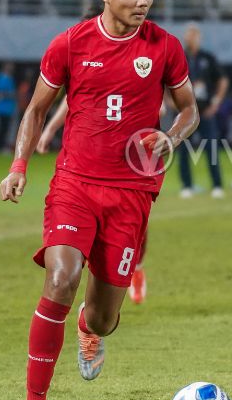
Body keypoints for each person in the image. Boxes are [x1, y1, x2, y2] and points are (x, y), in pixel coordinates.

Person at [0, 0, 198, 400]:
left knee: (103, 315)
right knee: (61, 276)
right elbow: (38, 108)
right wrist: (19, 165)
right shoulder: (69, 43)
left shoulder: (166, 48)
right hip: (76, 184)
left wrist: (171, 138)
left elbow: (190, 110)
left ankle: (91, 330)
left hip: (131, 193)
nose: (144, 1)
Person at [36, 95, 149, 305]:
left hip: (132, 158)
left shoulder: (148, 63)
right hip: (91, 158)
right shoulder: (89, 64)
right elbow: (75, 95)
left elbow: (161, 104)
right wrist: (52, 126)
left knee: (139, 225)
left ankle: (137, 268)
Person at [176, 22, 228, 199]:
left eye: (193, 34)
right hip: (185, 111)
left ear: (199, 37)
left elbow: (222, 80)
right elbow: (166, 82)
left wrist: (216, 102)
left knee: (211, 147)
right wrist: (170, 101)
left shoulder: (208, 57)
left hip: (205, 109)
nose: (190, 38)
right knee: (183, 149)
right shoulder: (179, 56)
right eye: (188, 34)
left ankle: (217, 185)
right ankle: (187, 186)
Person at [0, 61, 17, 150]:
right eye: (9, 66)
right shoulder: (1, 77)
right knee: (2, 128)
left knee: (6, 129)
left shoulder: (10, 78)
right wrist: (11, 94)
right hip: (2, 108)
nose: (11, 68)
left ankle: (2, 145)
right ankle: (1, 146)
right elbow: (0, 93)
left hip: (9, 108)